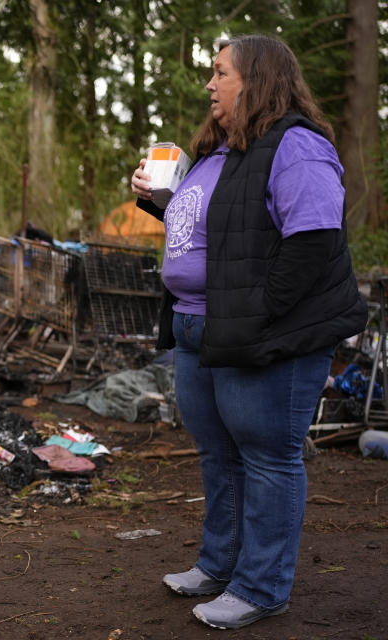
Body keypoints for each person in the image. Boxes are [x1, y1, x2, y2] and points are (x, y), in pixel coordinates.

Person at [130, 35, 367, 630]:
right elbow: (224, 234)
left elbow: (311, 242)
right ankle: (221, 566)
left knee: (267, 458)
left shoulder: (296, 146)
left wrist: (254, 314)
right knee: (220, 455)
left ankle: (261, 588)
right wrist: (162, 204)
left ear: (257, 80)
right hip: (197, 329)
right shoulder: (226, 151)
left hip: (264, 336)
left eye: (220, 73)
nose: (209, 85)